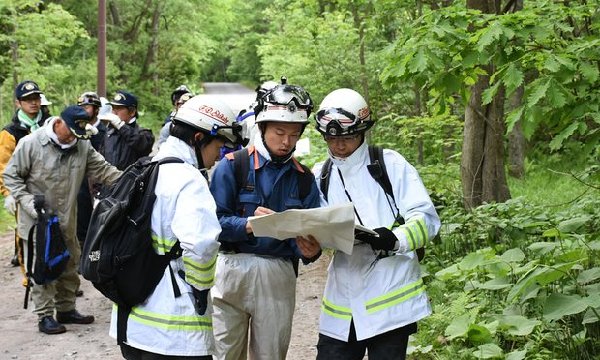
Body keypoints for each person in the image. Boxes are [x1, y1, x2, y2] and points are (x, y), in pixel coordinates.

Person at [111, 95, 245, 359]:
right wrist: (199, 292)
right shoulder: (189, 179)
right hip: (174, 330)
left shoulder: (145, 168)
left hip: (132, 325)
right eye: (218, 145)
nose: (219, 155)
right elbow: (202, 246)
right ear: (198, 139)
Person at [312, 88, 441, 360]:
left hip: (390, 302)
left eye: (347, 137)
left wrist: (395, 239)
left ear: (362, 131)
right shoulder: (321, 174)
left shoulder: (389, 164)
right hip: (342, 303)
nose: (339, 145)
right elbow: (318, 227)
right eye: (331, 138)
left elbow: (427, 219)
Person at [209, 81, 322, 360]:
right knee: (223, 354)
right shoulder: (232, 166)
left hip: (278, 274)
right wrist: (247, 224)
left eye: (294, 134)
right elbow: (212, 225)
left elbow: (311, 234)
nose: (286, 142)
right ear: (261, 127)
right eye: (279, 132)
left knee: (271, 355)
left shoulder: (305, 179)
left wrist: (311, 251)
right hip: (230, 272)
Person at [3, 105, 122, 335]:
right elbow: (11, 176)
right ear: (59, 123)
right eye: (71, 133)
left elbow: (104, 171)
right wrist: (27, 202)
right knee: (43, 267)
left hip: (68, 219)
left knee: (70, 263)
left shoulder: (82, 145)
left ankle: (66, 309)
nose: (74, 139)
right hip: (38, 223)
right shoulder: (31, 144)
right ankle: (45, 316)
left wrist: (133, 179)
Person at [1, 81, 51, 276]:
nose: (33, 103)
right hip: (24, 192)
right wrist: (9, 193)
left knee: (57, 233)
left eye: (36, 98)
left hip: (52, 188)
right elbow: (3, 165)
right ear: (18, 103)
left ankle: (56, 278)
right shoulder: (10, 133)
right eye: (28, 99)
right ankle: (30, 278)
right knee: (27, 236)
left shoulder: (50, 125)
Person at [103, 90, 154, 170]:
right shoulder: (109, 132)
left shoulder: (144, 133)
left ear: (132, 112)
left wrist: (121, 126)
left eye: (118, 108)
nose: (114, 112)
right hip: (108, 180)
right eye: (113, 108)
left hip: (131, 181)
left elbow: (142, 145)